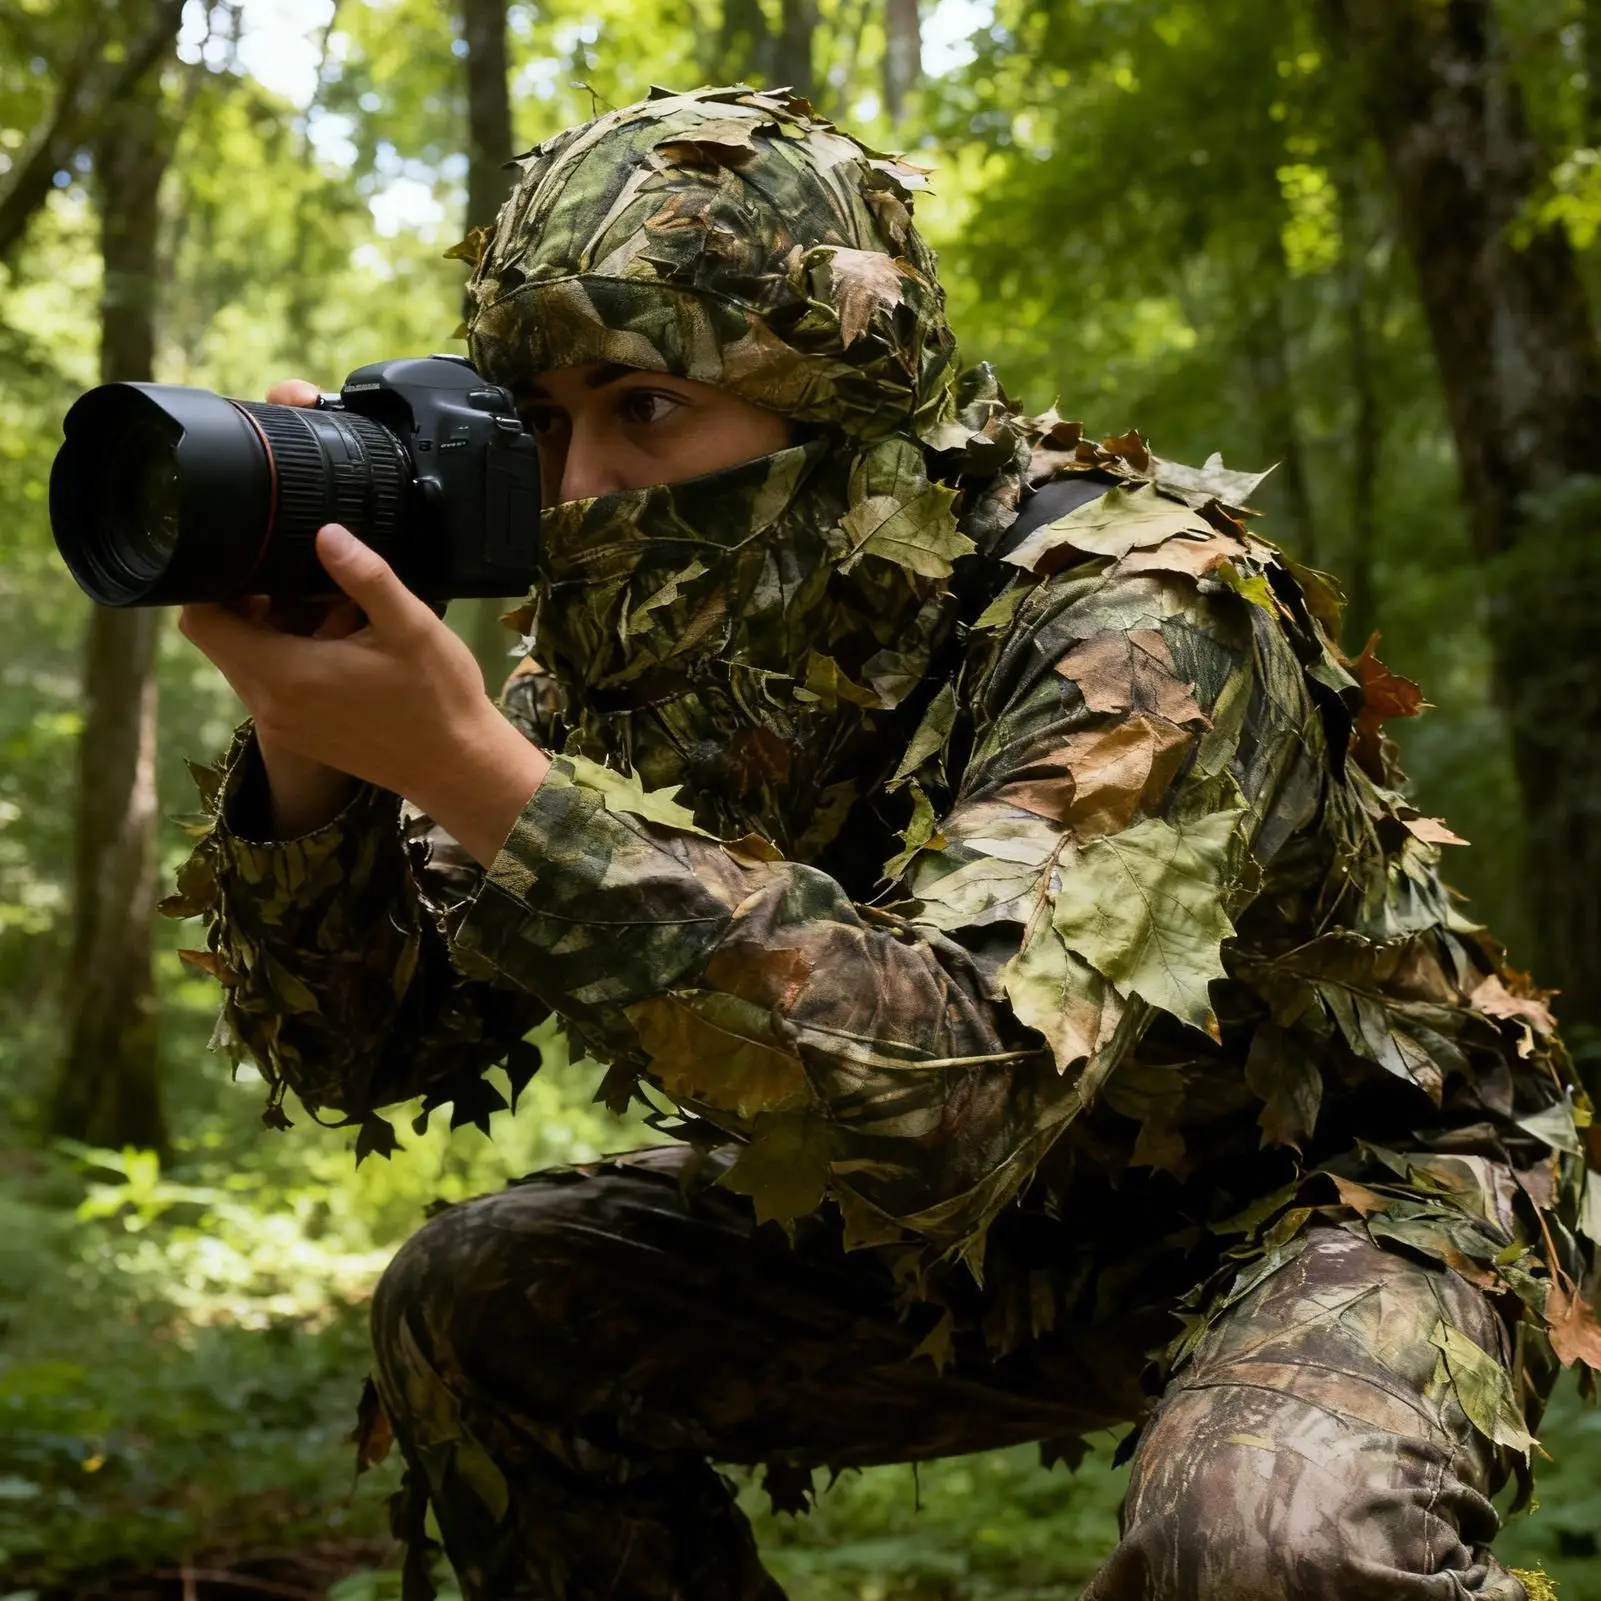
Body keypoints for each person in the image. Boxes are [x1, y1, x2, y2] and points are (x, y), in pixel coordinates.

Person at [169, 85, 1596, 1601]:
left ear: (841, 411)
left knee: (1266, 1549)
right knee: (482, 1310)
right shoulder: (611, 662)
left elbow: (963, 1093)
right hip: (1048, 1219)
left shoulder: (1138, 613)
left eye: (644, 405)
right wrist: (314, 742)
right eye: (538, 422)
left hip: (1358, 1178)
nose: (580, 486)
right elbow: (362, 1050)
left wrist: (480, 775)